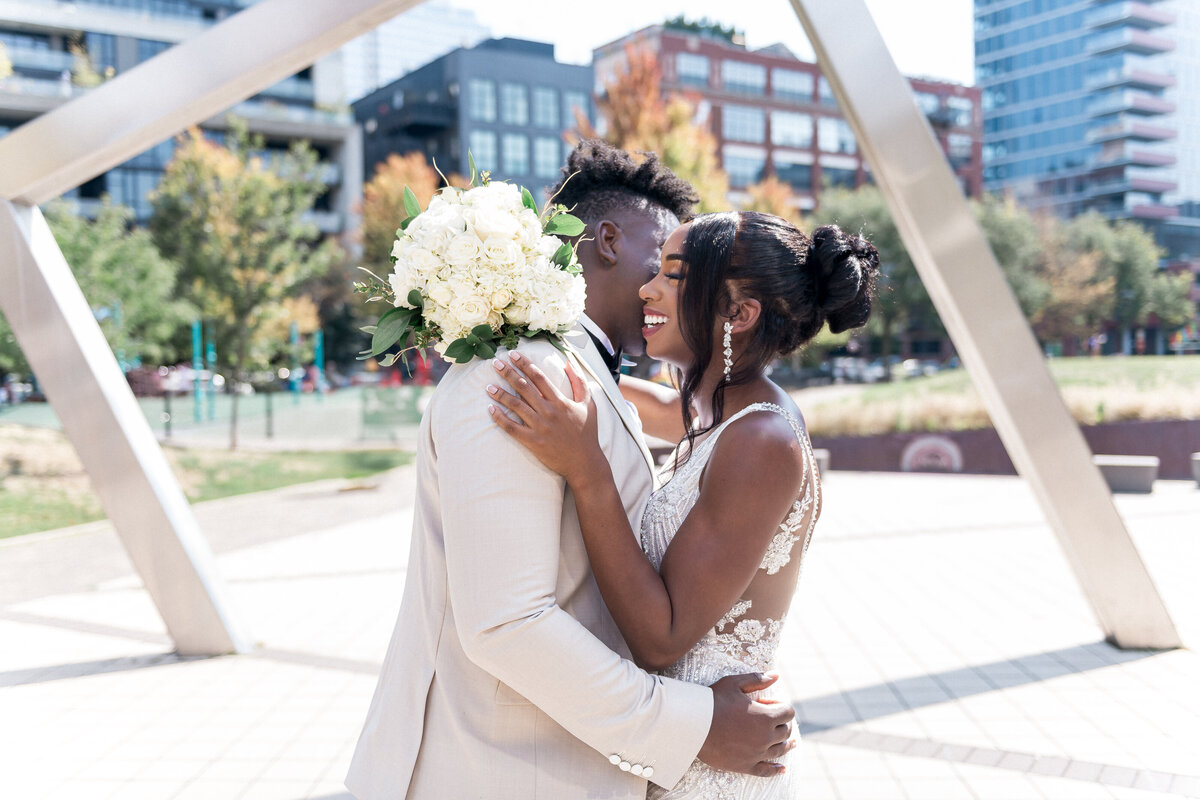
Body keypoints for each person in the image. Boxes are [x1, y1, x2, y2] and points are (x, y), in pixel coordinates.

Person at [345, 143, 796, 800]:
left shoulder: (582, 375)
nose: (671, 286)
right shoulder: (522, 376)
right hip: (493, 773)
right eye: (666, 260)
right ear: (608, 241)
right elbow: (507, 623)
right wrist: (689, 727)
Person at [486, 211, 879, 798]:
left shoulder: (761, 441)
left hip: (715, 763)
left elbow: (662, 636)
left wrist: (586, 467)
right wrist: (533, 348)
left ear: (738, 315)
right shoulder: (717, 414)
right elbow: (645, 403)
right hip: (676, 742)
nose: (647, 289)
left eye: (673, 275)